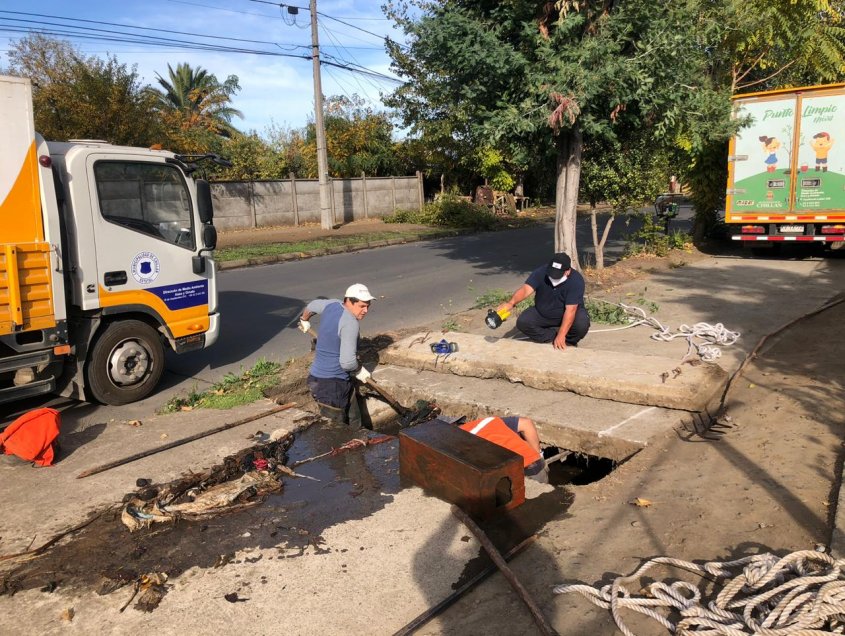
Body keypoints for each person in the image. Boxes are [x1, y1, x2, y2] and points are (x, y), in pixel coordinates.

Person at [299, 283, 375, 428]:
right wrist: (359, 370)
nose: (365, 310)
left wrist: (304, 319)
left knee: (355, 422)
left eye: (368, 306)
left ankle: (360, 447)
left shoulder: (333, 304)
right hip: (332, 385)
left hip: (321, 379)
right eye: (361, 306)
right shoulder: (350, 323)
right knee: (335, 434)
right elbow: (347, 363)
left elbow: (313, 305)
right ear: (349, 301)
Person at [497, 252, 590, 349]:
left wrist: (562, 334)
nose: (553, 277)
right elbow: (526, 290)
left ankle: (569, 341)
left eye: (557, 275)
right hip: (543, 312)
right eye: (552, 273)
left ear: (567, 271)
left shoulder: (576, 281)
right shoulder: (541, 272)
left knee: (581, 324)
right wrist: (511, 303)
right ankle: (552, 337)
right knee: (523, 322)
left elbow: (570, 310)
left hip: (567, 314)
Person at [458, 415, 547, 479]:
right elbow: (526, 423)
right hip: (535, 464)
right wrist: (539, 455)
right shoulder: (488, 421)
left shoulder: (458, 443)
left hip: (514, 472)